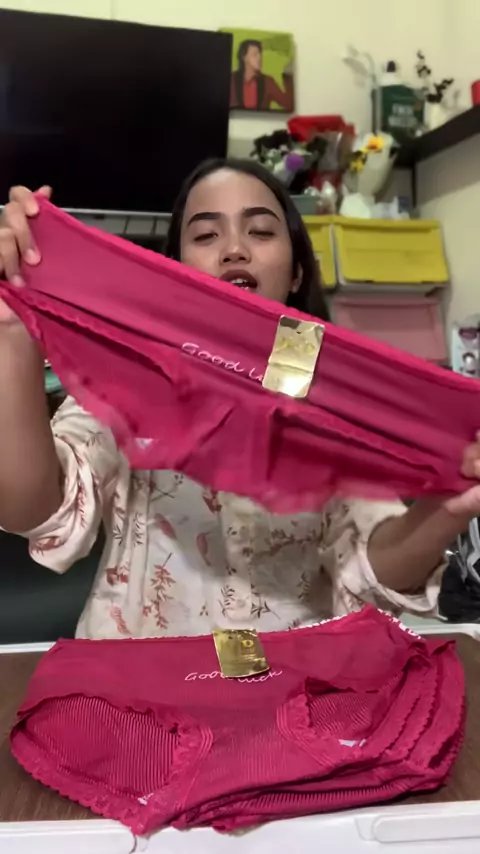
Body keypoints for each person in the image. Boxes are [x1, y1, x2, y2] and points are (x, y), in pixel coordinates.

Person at [1, 158, 480, 640]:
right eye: (206, 235)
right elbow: (36, 511)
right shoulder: (126, 376)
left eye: (261, 232)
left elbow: (376, 570)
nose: (234, 249)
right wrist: (11, 329)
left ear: (296, 272)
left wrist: (449, 508)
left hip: (294, 676)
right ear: (176, 268)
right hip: (139, 672)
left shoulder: (337, 396)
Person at [230, 40, 294, 112]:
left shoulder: (267, 82)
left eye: (260, 54)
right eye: (254, 55)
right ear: (244, 57)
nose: (259, 58)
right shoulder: (231, 80)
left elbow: (288, 104)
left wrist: (288, 74)